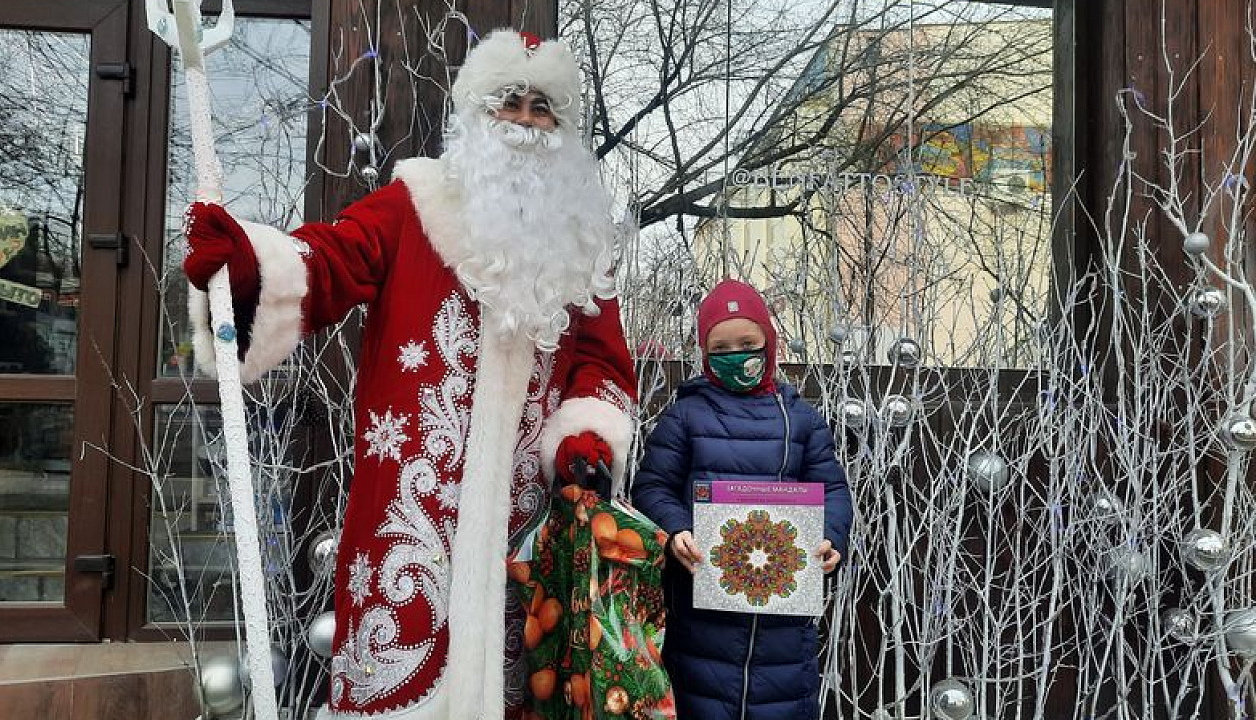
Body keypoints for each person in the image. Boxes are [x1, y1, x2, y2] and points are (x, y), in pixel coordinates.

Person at [181, 29, 638, 720]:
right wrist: (245, 266)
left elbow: (602, 363)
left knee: (521, 683)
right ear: (477, 117)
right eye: (508, 101)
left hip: (527, 520)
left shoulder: (581, 245)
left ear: (563, 129)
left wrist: (586, 439)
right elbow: (328, 261)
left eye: (542, 108)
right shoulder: (411, 205)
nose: (523, 120)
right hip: (408, 520)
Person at [630, 279, 852, 720]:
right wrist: (677, 530)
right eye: (722, 346)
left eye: (747, 342)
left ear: (770, 343)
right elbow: (651, 487)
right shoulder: (685, 416)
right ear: (705, 352)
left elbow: (832, 489)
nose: (737, 355)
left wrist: (831, 538)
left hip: (784, 629)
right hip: (700, 621)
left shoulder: (803, 421)